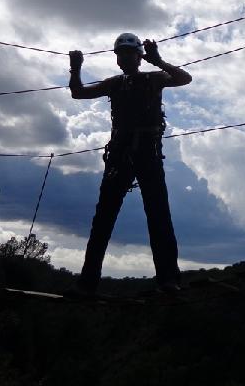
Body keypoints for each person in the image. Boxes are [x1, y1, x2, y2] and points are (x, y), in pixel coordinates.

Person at [67, 32, 191, 295]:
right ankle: (87, 283)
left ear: (138, 57)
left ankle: (168, 279)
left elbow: (184, 78)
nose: (124, 58)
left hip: (146, 153)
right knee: (104, 218)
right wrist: (75, 69)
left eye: (128, 53)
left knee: (158, 215)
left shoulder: (153, 78)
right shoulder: (114, 83)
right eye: (120, 54)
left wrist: (158, 60)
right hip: (120, 154)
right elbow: (78, 93)